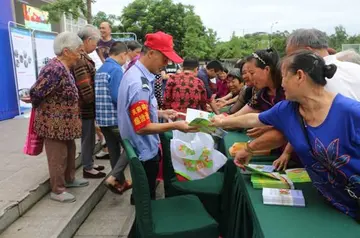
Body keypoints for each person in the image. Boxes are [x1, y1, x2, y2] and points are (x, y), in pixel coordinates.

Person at [212, 50, 360, 220]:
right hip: (333, 204)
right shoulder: (288, 110)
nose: (281, 83)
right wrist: (222, 122)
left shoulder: (351, 113)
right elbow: (253, 118)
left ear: (299, 76)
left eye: (284, 76)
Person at [117, 31, 197, 203]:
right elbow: (143, 127)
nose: (166, 64)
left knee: (143, 194)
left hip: (141, 148)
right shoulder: (139, 84)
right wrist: (176, 126)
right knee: (147, 200)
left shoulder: (137, 75)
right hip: (144, 152)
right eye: (164, 58)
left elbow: (138, 113)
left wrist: (161, 113)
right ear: (151, 53)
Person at [30, 32, 88, 203]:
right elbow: (36, 92)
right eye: (79, 50)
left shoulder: (65, 68)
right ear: (66, 51)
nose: (81, 54)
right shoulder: (53, 69)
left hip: (66, 124)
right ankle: (58, 189)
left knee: (69, 152)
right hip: (54, 124)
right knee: (57, 156)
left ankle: (69, 179)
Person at [95, 42, 132, 194]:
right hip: (115, 118)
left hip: (102, 119)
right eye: (126, 58)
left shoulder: (101, 69)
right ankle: (113, 178)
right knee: (132, 146)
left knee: (114, 151)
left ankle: (121, 182)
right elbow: (118, 97)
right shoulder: (116, 70)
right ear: (123, 54)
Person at [72, 25, 106, 179]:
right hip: (85, 107)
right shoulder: (80, 59)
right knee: (87, 138)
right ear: (88, 40)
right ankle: (87, 167)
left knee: (90, 137)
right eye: (95, 43)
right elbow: (85, 87)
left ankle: (89, 164)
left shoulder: (84, 56)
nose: (96, 46)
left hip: (88, 107)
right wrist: (94, 101)